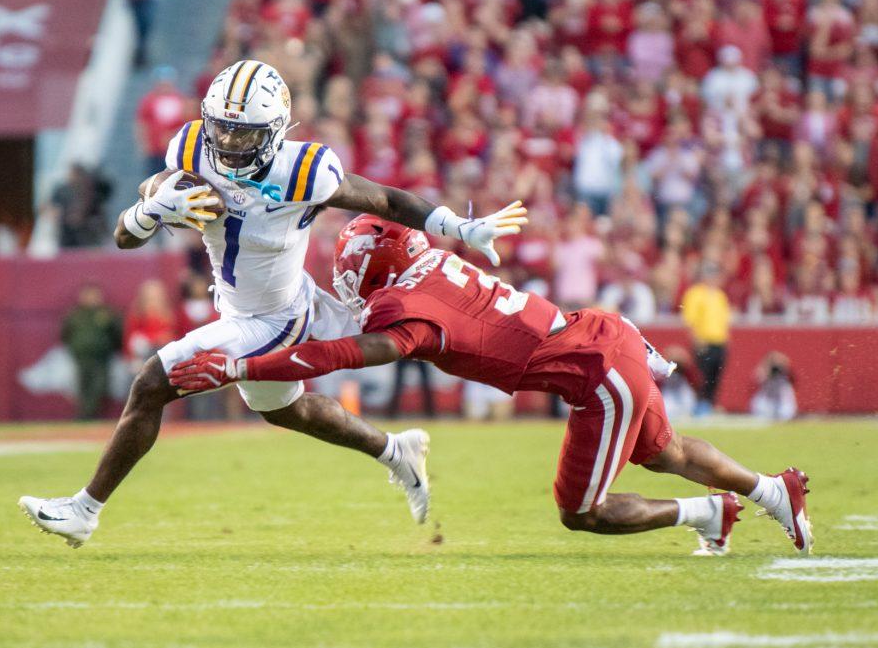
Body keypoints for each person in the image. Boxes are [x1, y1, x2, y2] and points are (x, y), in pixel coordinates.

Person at [19, 59, 527, 547]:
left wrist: (457, 227)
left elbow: (386, 201)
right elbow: (128, 232)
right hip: (250, 305)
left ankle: (84, 511)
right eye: (222, 129)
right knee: (288, 411)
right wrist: (150, 207)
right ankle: (395, 451)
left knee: (153, 382)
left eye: (244, 134)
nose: (229, 143)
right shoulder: (193, 147)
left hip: (275, 315)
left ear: (277, 131)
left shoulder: (304, 170)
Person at [171, 216, 813, 556]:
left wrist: (241, 367)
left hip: (598, 373)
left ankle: (708, 511)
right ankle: (764, 493)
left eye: (357, 277)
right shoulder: (436, 263)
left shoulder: (407, 310)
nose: (354, 290)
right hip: (604, 336)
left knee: (580, 511)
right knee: (665, 454)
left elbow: (341, 353)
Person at [61, 284, 123, 421]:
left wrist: (109, 348)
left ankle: (88, 417)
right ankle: (85, 417)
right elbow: (65, 334)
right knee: (82, 387)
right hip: (81, 358)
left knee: (99, 387)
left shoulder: (107, 313)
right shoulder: (75, 314)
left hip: (101, 358)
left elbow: (117, 333)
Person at [681, 261, 731, 415]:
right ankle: (699, 405)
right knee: (703, 376)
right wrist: (696, 338)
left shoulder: (720, 295)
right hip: (704, 341)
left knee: (715, 376)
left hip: (719, 341)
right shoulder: (695, 293)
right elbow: (690, 318)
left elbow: (724, 320)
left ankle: (710, 404)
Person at [750, 351, 798, 421]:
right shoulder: (763, 369)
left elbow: (794, 381)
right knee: (761, 418)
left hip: (782, 401)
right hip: (767, 400)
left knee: (785, 417)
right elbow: (759, 380)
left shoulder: (785, 371)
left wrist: (783, 368)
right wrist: (769, 370)